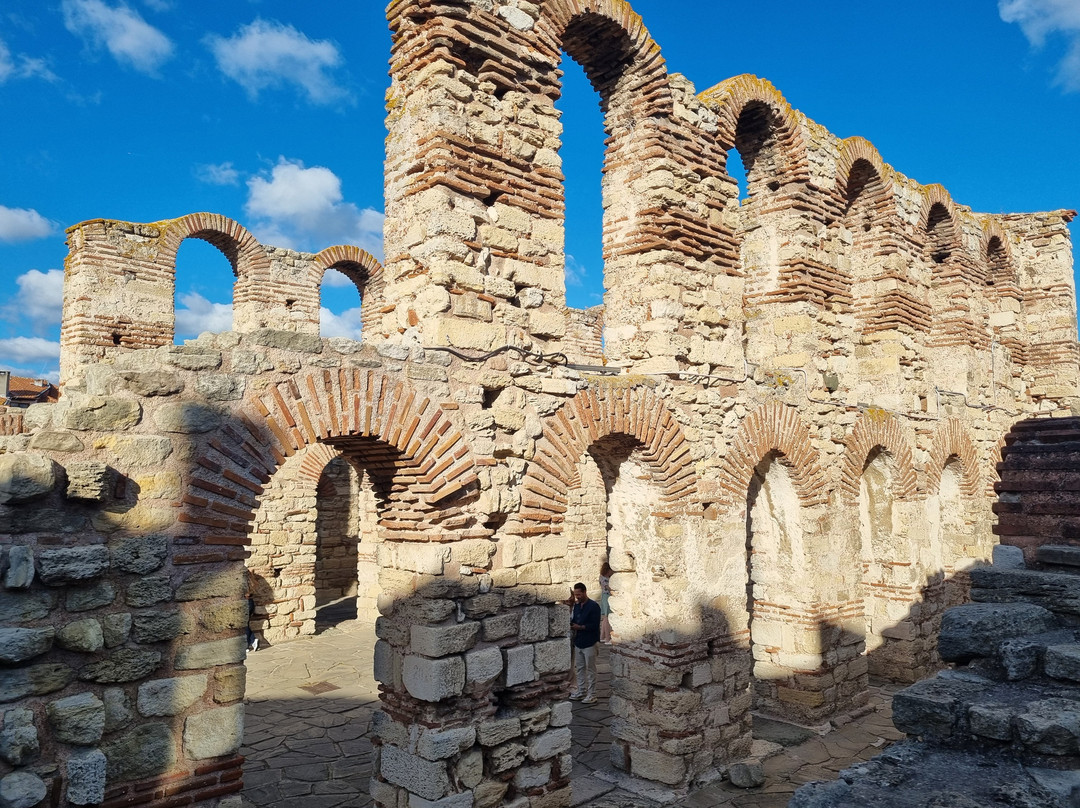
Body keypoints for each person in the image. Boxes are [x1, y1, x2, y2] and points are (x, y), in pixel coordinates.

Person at [569, 582, 601, 704]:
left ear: (584, 592)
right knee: (580, 668)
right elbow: (574, 619)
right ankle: (581, 691)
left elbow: (594, 625)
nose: (577, 597)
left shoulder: (593, 606)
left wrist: (580, 627)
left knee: (591, 669)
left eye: (579, 594)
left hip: (590, 642)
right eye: (576, 594)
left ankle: (592, 694)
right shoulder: (577, 606)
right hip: (579, 641)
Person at [599, 562, 614, 644]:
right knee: (607, 618)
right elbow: (608, 588)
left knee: (605, 618)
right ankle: (608, 638)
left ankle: (602, 636)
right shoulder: (604, 578)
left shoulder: (602, 577)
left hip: (604, 597)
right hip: (607, 597)